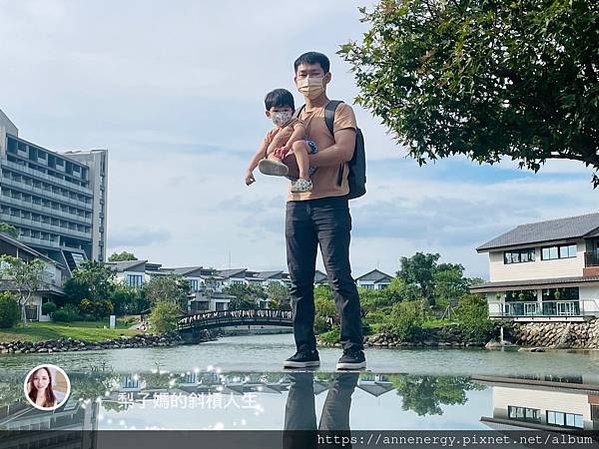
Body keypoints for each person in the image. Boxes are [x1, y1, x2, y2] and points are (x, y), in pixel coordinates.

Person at [278, 52, 366, 370]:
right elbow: (281, 157)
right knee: (298, 281)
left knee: (339, 276)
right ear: (294, 80)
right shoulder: (292, 115)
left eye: (314, 73)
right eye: (302, 74)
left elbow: (345, 150)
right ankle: (305, 350)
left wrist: (307, 161)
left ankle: (353, 349)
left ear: (327, 76)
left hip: (331, 203)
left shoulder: (339, 111)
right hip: (296, 205)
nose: (308, 79)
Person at [245, 88, 318, 193]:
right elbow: (260, 152)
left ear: (292, 111)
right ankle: (277, 165)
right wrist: (249, 170)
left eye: (285, 110)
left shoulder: (294, 122)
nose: (281, 114)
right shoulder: (271, 134)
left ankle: (304, 178)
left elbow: (300, 131)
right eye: (276, 111)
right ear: (268, 114)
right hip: (291, 170)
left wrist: (287, 146)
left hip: (307, 158)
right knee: (270, 154)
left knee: (298, 144)